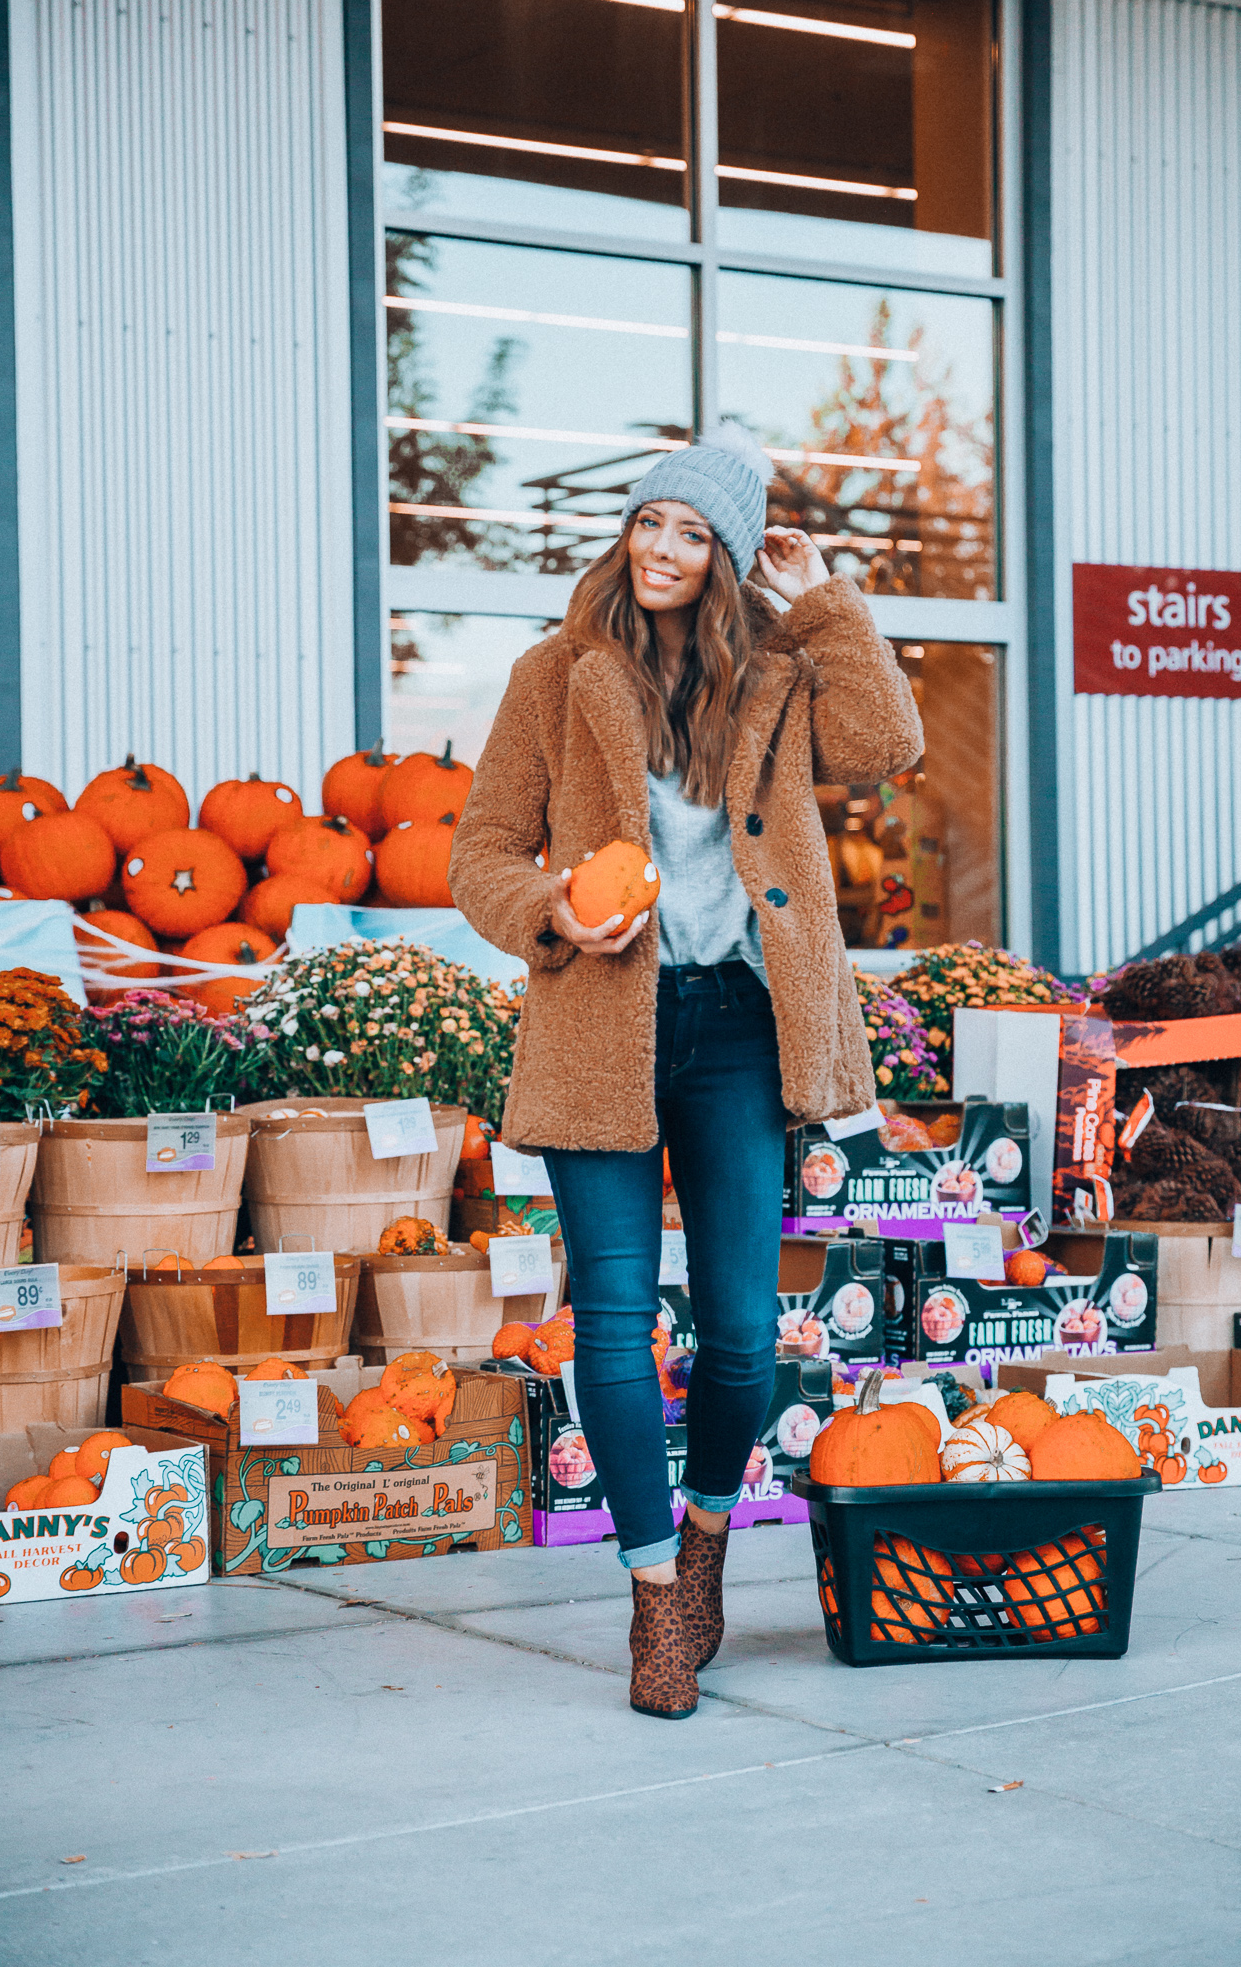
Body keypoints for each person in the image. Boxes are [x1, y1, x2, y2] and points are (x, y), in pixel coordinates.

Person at [450, 424, 922, 1718]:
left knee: (732, 1333)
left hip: (737, 1023)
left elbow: (886, 746)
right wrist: (552, 906)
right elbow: (480, 851)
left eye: (691, 532)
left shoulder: (770, 672)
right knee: (609, 1320)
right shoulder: (553, 673)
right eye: (649, 523)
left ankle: (708, 1533)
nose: (662, 550)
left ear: (722, 555)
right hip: (601, 1013)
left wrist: (826, 599)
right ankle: (654, 1592)